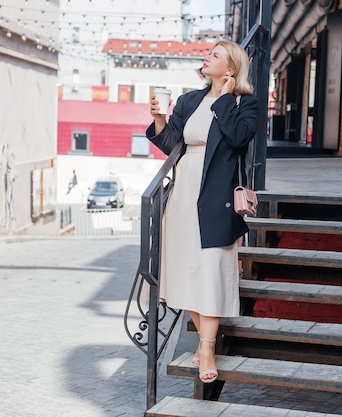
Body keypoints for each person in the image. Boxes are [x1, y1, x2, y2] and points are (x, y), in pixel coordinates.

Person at [146, 40, 258, 384]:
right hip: (183, 194)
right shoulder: (189, 100)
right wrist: (160, 119)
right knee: (186, 271)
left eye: (214, 55)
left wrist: (224, 98)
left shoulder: (245, 103)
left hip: (216, 196)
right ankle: (205, 345)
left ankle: (206, 347)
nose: (205, 57)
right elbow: (173, 147)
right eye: (206, 53)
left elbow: (238, 137)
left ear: (231, 69)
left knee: (210, 272)